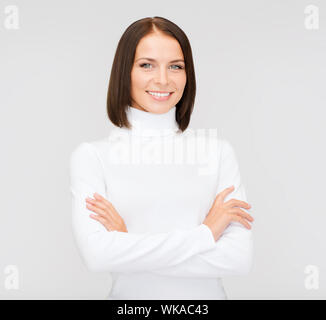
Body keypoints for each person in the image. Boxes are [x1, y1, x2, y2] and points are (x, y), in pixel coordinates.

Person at [69, 16, 254, 300]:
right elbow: (97, 257)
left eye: (175, 66)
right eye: (146, 65)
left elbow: (239, 258)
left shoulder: (217, 153)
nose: (163, 80)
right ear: (124, 71)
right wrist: (206, 234)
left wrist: (128, 245)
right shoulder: (93, 157)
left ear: (187, 73)